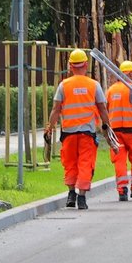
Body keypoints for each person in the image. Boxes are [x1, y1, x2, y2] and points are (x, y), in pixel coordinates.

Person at [44, 49, 114, 210]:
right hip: (86, 134)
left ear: (70, 66)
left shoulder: (64, 85)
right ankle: (81, 197)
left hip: (68, 134)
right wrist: (106, 126)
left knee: (70, 163)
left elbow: (56, 109)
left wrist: (50, 128)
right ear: (86, 65)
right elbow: (102, 108)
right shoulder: (93, 85)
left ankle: (71, 194)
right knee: (85, 163)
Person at [107, 60, 132, 201]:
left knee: (119, 161)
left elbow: (105, 108)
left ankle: (122, 190)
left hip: (116, 132)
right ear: (129, 73)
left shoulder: (111, 90)